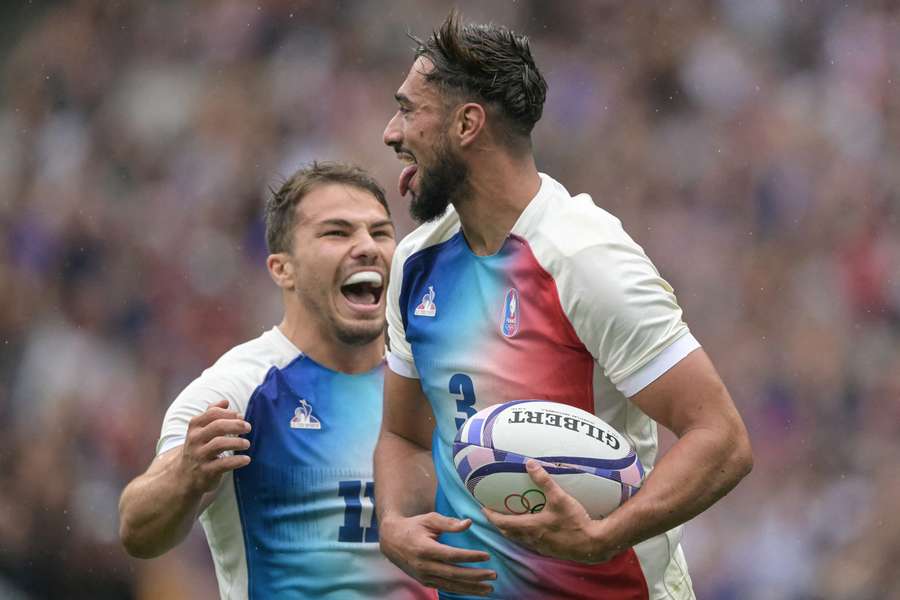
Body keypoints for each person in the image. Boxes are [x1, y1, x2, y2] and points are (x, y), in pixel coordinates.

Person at [374, 12, 753, 600]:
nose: (390, 132)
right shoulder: (416, 262)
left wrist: (605, 535)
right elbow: (403, 436)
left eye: (408, 109)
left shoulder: (583, 257)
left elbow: (721, 439)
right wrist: (395, 523)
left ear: (468, 124)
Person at [119, 162, 434, 599]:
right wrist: (186, 474)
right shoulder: (237, 393)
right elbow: (137, 529)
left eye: (380, 233)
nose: (367, 246)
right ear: (281, 269)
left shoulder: (430, 382)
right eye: (337, 233)